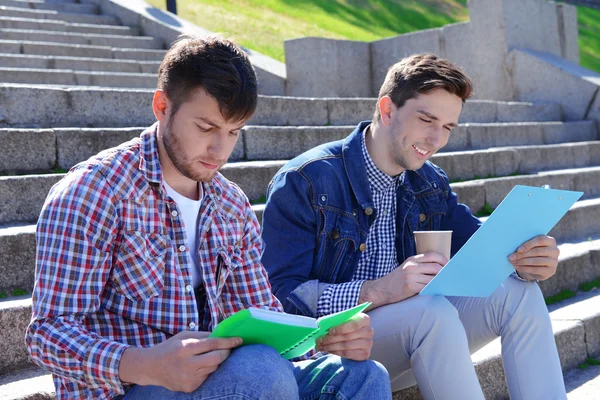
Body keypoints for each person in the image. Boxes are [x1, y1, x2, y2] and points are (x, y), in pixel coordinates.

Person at [25, 35, 391, 400]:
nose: (220, 150)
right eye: (206, 128)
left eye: (233, 132)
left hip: (222, 381)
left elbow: (260, 316)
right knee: (259, 371)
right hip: (125, 389)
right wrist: (145, 364)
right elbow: (47, 333)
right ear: (162, 106)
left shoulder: (230, 204)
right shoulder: (94, 190)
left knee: (362, 376)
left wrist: (321, 340)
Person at [261, 53, 567, 399]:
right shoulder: (307, 180)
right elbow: (279, 297)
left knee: (518, 294)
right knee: (430, 312)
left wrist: (527, 259)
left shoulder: (429, 182)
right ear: (388, 110)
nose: (436, 139)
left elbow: (487, 248)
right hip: (330, 350)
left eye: (448, 127)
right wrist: (379, 290)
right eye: (427, 120)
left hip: (414, 341)